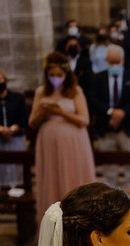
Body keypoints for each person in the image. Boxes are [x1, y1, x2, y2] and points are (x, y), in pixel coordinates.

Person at [28, 52, 97, 223]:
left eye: (59, 75)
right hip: (49, 142)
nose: (56, 78)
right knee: (52, 181)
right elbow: (32, 123)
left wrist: (61, 112)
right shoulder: (41, 92)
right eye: (52, 75)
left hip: (73, 143)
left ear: (66, 75)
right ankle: (53, 227)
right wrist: (42, 111)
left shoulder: (75, 91)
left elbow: (84, 120)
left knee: (73, 180)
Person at [89, 44, 130, 189]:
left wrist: (122, 113)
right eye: (111, 62)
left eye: (116, 62)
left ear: (122, 60)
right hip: (106, 127)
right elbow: (93, 99)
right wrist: (110, 112)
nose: (114, 65)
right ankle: (110, 202)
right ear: (106, 61)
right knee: (109, 168)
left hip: (128, 127)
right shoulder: (99, 78)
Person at [64, 36, 94, 101]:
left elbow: (87, 79)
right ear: (66, 47)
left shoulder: (86, 61)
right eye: (70, 45)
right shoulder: (62, 61)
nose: (73, 47)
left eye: (75, 45)